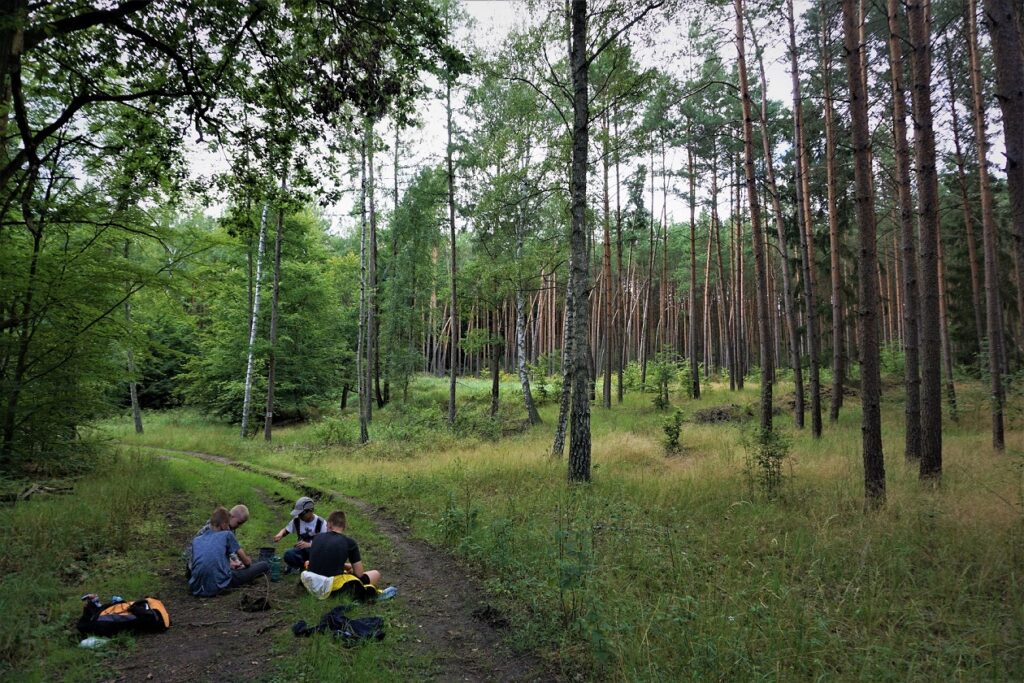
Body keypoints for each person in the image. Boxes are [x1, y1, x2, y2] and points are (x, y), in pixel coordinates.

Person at [188, 506, 269, 597]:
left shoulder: (197, 540)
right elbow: (246, 562)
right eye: (239, 523)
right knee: (263, 565)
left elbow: (207, 555)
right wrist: (245, 562)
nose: (239, 526)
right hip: (218, 584)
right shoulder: (227, 534)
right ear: (224, 523)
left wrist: (232, 562)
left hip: (195, 586)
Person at [307, 510, 381, 588]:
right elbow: (359, 573)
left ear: (329, 524)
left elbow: (323, 560)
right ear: (344, 527)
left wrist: (345, 565)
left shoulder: (317, 537)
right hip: (333, 587)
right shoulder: (349, 542)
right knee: (376, 574)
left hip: (312, 582)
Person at [183, 504, 250, 577]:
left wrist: (235, 560)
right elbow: (208, 551)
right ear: (231, 516)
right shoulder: (214, 528)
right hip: (197, 562)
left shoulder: (230, 530)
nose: (239, 526)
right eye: (239, 523)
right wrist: (229, 563)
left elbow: (230, 549)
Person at [273, 496, 327, 573]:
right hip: (301, 552)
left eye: (301, 514)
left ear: (310, 510)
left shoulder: (321, 523)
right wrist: (280, 534)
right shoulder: (297, 520)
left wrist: (310, 545)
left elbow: (326, 544)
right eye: (298, 514)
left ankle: (309, 566)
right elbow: (286, 530)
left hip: (316, 553)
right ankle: (303, 566)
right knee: (288, 554)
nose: (299, 516)